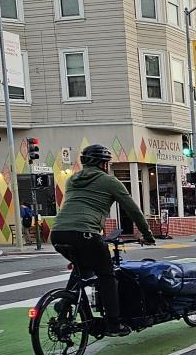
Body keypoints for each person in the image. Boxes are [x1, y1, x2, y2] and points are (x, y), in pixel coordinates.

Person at [51, 143, 155, 337]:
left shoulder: (72, 180)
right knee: (107, 276)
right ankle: (114, 324)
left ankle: (65, 304)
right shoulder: (110, 181)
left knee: (82, 268)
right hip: (86, 233)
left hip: (58, 233)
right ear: (103, 164)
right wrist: (147, 235)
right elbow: (133, 210)